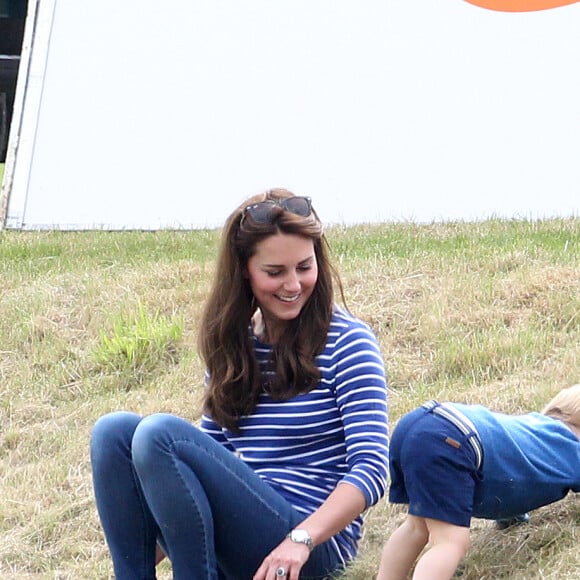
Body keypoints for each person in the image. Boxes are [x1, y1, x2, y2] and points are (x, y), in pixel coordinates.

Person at [90, 188, 390, 580]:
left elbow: (371, 471)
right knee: (114, 432)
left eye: (304, 266)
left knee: (159, 434)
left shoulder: (349, 342)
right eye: (274, 272)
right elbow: (208, 459)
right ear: (244, 271)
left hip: (313, 547)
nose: (293, 284)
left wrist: (300, 540)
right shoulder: (235, 344)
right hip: (243, 527)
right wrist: (149, 534)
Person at [376, 384, 580, 580]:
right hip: (451, 440)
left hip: (419, 423)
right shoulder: (573, 450)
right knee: (450, 543)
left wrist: (513, 517)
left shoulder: (534, 428)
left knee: (416, 527)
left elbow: (512, 474)